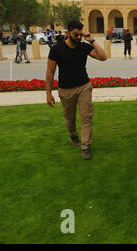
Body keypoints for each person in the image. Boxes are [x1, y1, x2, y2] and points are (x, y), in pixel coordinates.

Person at [45, 20, 108, 161]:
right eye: (75, 34)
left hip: (84, 87)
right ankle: (73, 135)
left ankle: (85, 146)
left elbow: (103, 57)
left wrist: (92, 40)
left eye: (80, 34)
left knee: (86, 117)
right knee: (70, 117)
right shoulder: (56, 49)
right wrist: (48, 94)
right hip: (65, 90)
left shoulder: (83, 47)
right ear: (67, 33)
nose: (79, 37)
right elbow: (50, 72)